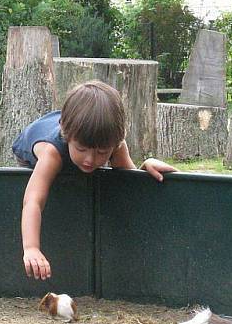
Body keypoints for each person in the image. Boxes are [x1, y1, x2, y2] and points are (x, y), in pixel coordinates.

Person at [13, 80, 177, 280]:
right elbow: (33, 201)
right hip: (34, 143)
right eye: (82, 149)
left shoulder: (114, 144)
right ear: (67, 136)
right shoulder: (51, 153)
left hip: (80, 131)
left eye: (101, 152)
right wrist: (31, 248)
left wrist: (145, 167)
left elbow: (127, 181)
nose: (90, 159)